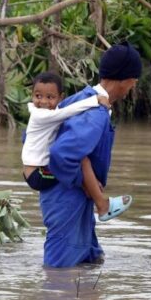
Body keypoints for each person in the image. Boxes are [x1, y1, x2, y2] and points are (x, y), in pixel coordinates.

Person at [40, 42, 142, 268]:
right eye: (133, 82)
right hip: (67, 202)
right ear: (125, 80)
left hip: (72, 202)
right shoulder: (96, 113)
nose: (132, 88)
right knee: (58, 278)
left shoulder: (80, 99)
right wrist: (85, 183)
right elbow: (61, 154)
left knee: (92, 261)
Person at [21, 71, 132, 222]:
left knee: (79, 165)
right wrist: (95, 100)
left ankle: (90, 189)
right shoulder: (40, 115)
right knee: (81, 161)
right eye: (38, 96)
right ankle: (102, 205)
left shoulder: (49, 112)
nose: (43, 102)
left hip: (37, 170)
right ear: (32, 95)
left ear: (61, 98)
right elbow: (67, 112)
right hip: (37, 175)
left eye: (50, 97)